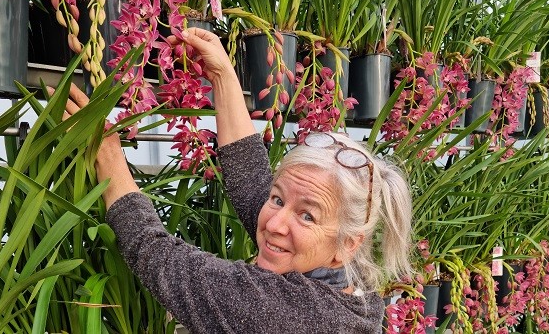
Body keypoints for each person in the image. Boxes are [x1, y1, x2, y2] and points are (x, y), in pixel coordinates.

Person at [58, 28, 413, 333]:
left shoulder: (283, 314)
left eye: (308, 216)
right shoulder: (355, 289)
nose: (275, 222)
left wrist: (106, 155)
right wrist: (223, 78)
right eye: (278, 199)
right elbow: (254, 187)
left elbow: (160, 257)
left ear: (347, 244)